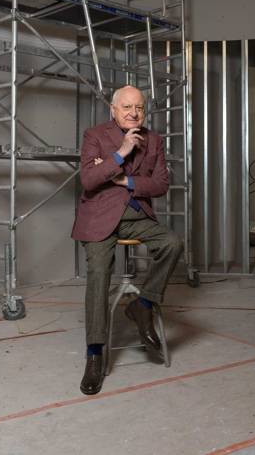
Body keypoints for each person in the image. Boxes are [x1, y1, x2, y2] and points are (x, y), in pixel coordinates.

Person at [72, 85, 183, 395]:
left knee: (173, 243)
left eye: (140, 108)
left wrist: (124, 179)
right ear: (113, 109)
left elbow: (161, 184)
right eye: (127, 107)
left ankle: (142, 304)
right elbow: (89, 180)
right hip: (99, 219)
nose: (134, 113)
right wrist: (120, 153)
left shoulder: (155, 141)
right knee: (98, 272)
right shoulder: (95, 135)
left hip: (136, 216)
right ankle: (95, 353)